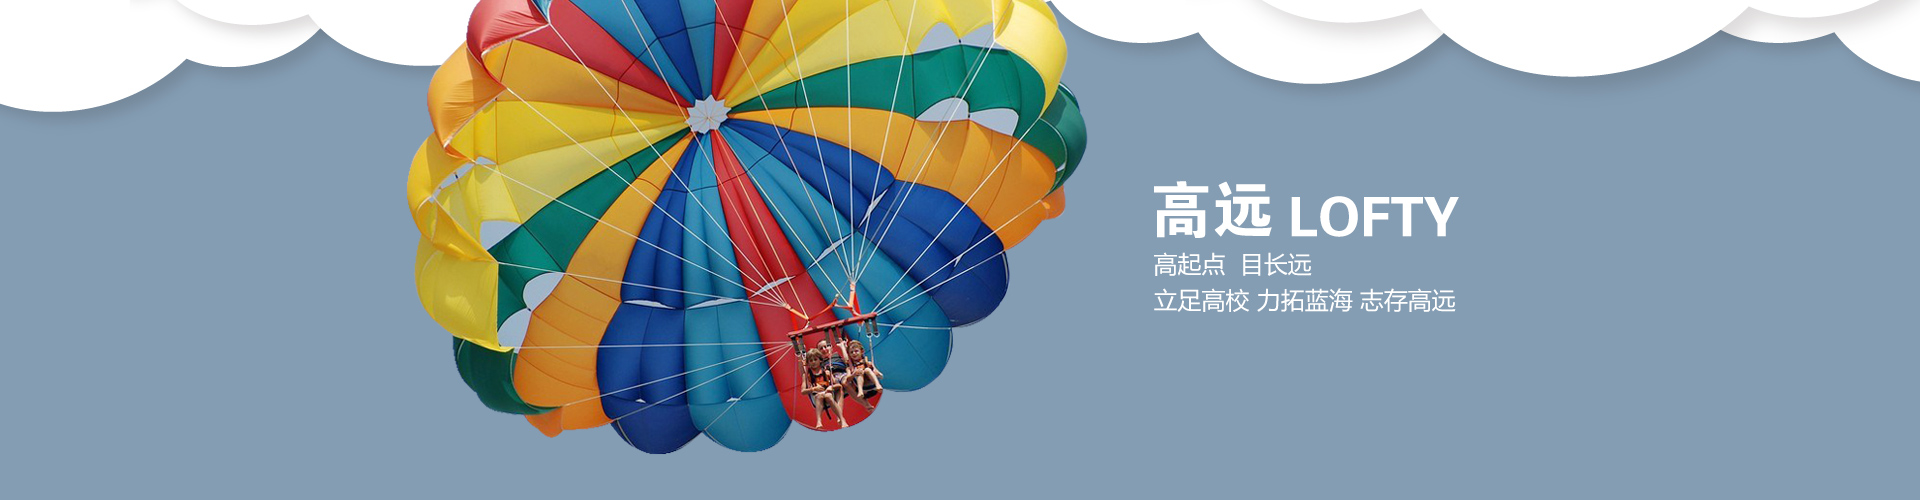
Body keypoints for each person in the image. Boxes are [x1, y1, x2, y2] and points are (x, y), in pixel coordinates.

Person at [800, 341, 846, 428]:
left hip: (828, 393)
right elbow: (803, 391)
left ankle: (842, 419)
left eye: (815, 359)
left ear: (820, 360)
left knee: (828, 395)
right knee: (819, 396)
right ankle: (819, 421)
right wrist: (813, 389)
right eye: (811, 361)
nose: (813, 362)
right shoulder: (806, 375)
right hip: (817, 396)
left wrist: (830, 387)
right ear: (808, 363)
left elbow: (838, 386)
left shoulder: (826, 372)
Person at [843, 339, 883, 408]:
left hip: (872, 386)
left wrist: (877, 373)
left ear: (862, 352)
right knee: (859, 372)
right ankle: (860, 391)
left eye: (856, 351)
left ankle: (878, 385)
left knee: (867, 370)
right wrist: (854, 374)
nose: (854, 353)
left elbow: (878, 374)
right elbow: (848, 379)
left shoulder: (867, 362)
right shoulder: (850, 367)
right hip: (864, 390)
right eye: (851, 352)